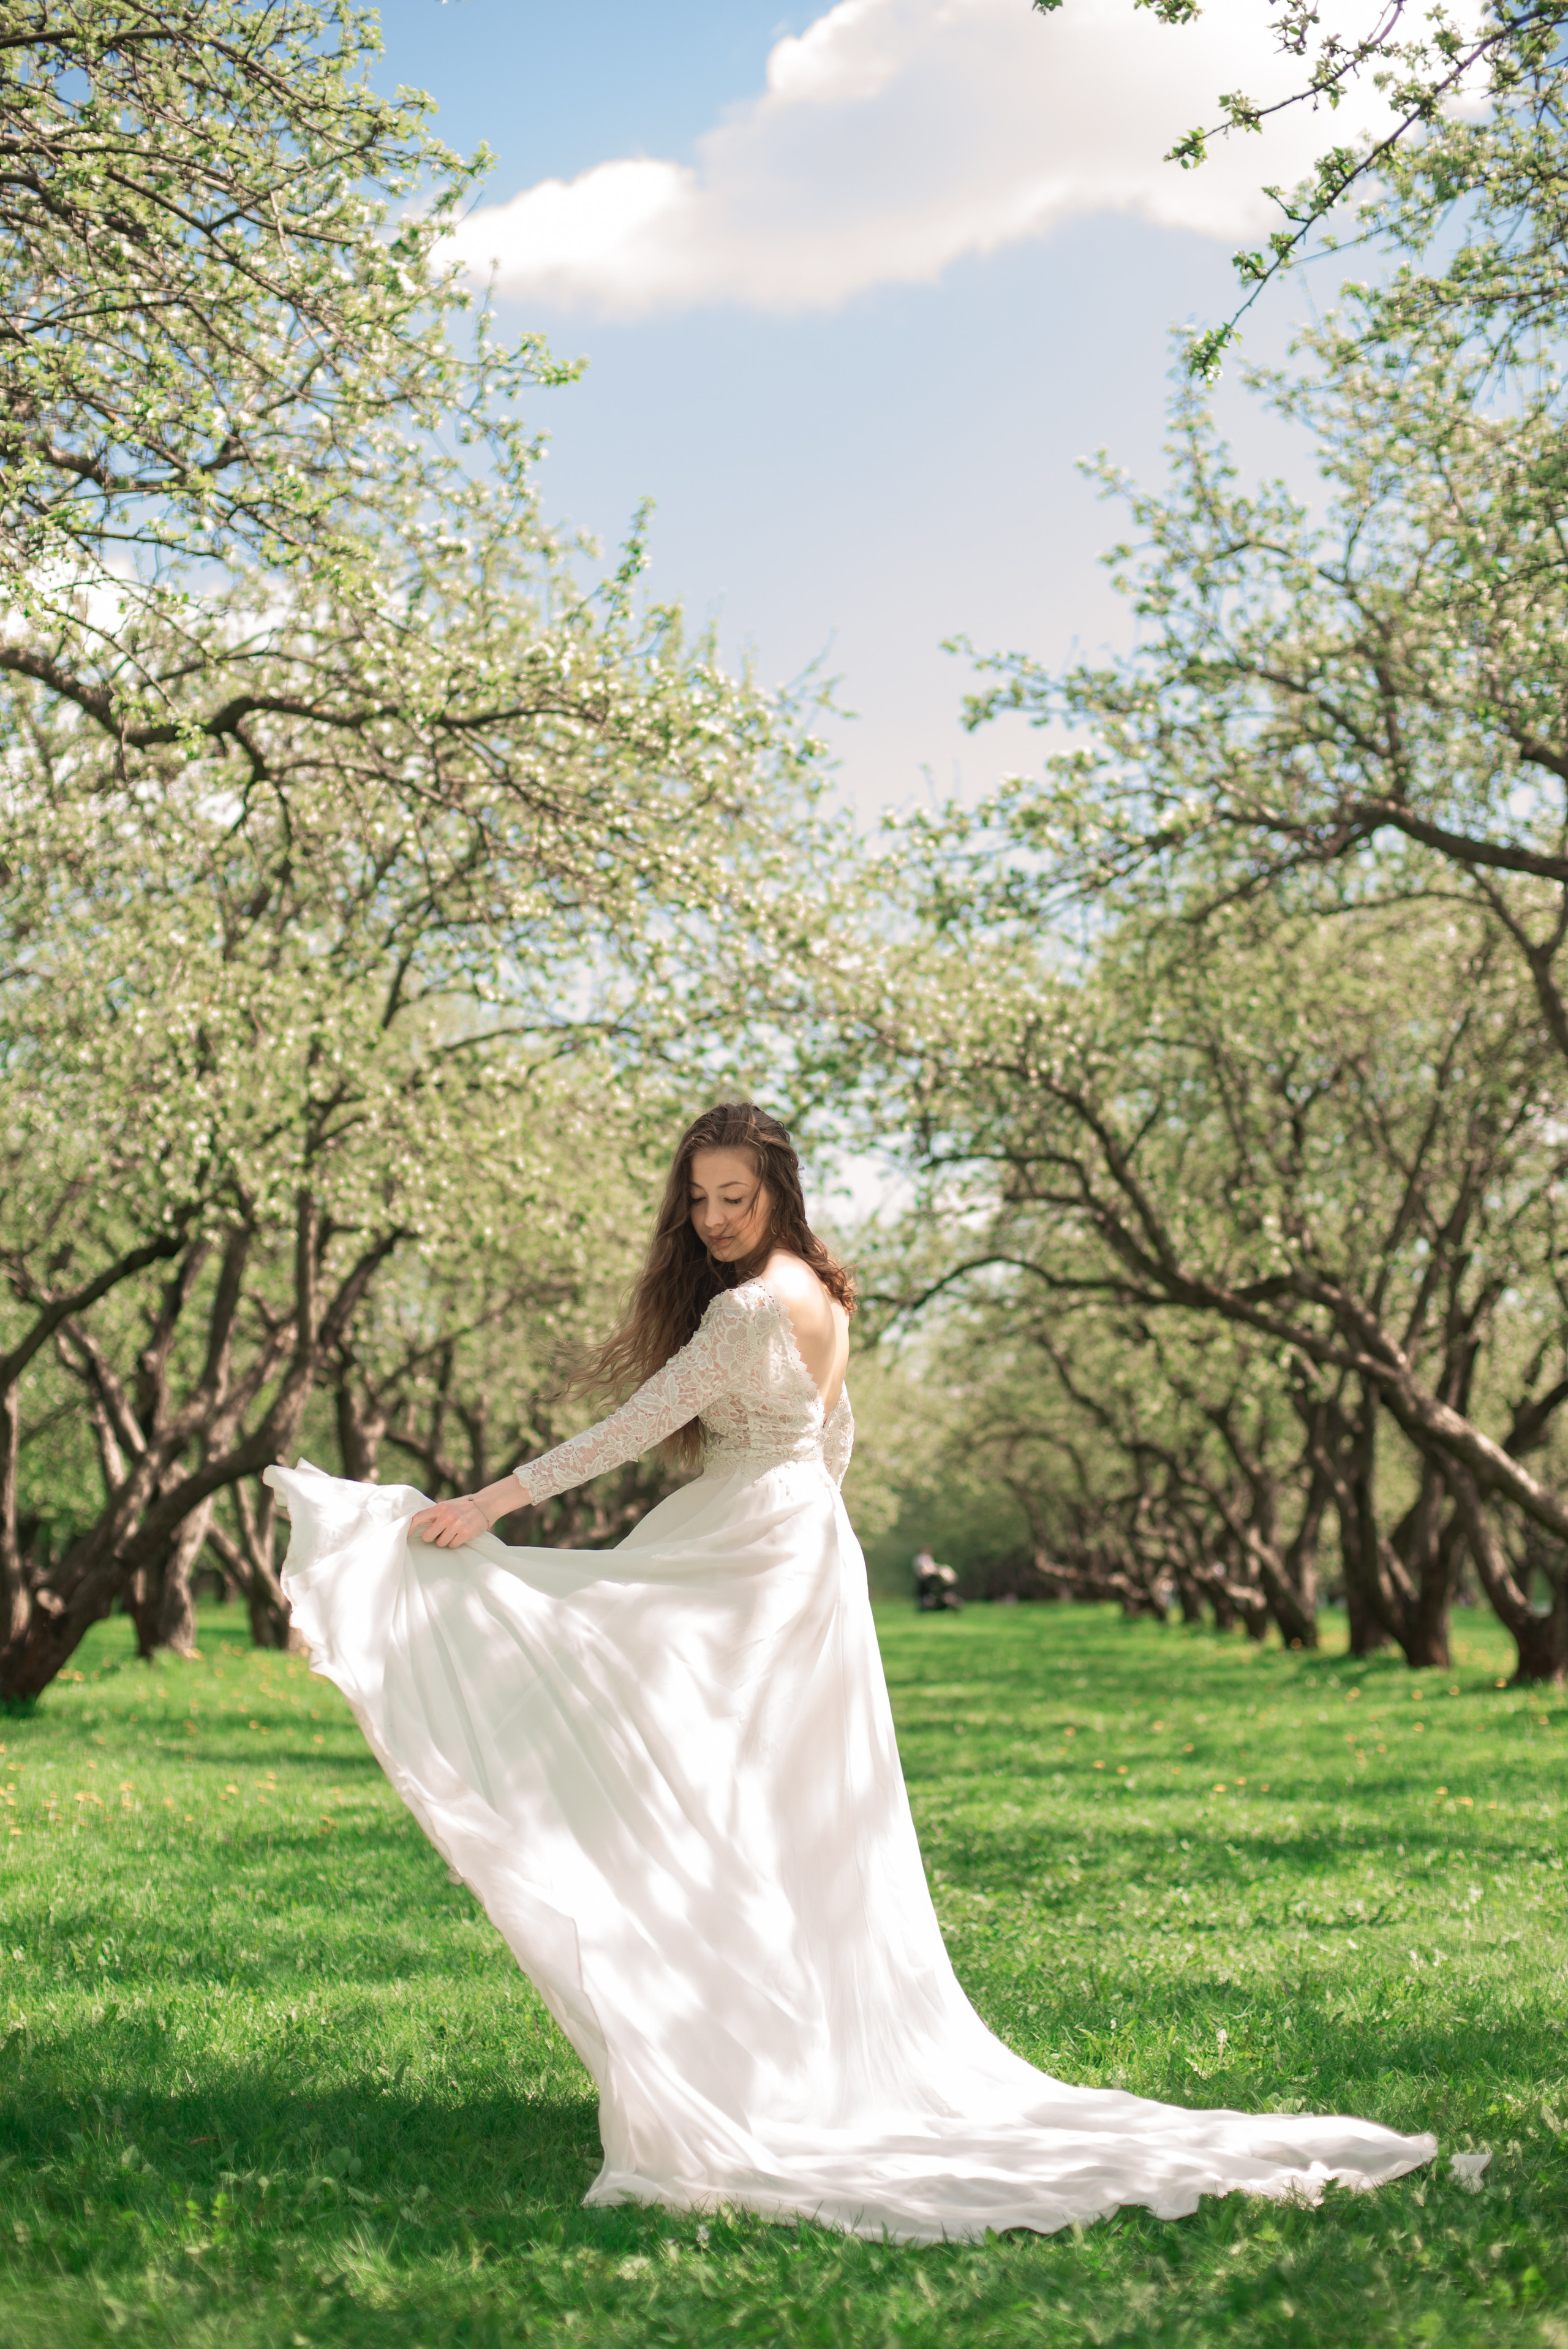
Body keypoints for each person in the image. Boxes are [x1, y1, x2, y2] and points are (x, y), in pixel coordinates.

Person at [265, 1102, 1434, 2244]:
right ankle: (766, 2040)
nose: (716, 1216)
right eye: (701, 1198)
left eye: (737, 1195)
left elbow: (634, 1424)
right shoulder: (824, 1291)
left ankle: (745, 2050)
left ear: (778, 1191)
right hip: (804, 1548)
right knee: (772, 1807)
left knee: (638, 1712)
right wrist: (805, 1524)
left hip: (754, 1547)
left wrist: (490, 1503)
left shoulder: (748, 1310)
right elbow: (838, 1438)